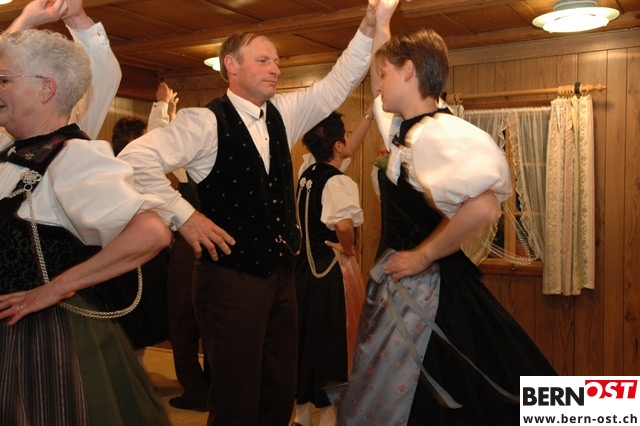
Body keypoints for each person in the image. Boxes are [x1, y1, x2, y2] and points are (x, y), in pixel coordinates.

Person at [118, 1, 400, 424]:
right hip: (228, 280)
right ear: (231, 66)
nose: (275, 69)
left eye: (277, 61)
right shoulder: (204, 122)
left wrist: (366, 27)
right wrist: (184, 216)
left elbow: (336, 86)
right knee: (236, 396)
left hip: (282, 276)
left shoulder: (282, 115)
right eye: (263, 60)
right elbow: (133, 158)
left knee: (278, 389)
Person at [333, 27, 558, 426]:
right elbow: (384, 72)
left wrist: (423, 255)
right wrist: (381, 18)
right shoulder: (405, 129)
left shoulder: (436, 135)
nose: (377, 86)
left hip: (427, 293)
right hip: (403, 287)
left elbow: (484, 208)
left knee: (454, 392)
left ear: (408, 71)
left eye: (383, 75)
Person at [0, 18, 172, 426]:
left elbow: (151, 232)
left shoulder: (74, 157)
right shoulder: (11, 152)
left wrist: (56, 287)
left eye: (4, 80)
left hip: (44, 344)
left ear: (46, 89)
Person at [291, 111, 371, 426]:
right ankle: (327, 417)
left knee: (303, 342)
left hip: (302, 274)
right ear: (337, 146)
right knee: (331, 345)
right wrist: (348, 248)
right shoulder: (337, 181)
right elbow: (344, 225)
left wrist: (369, 115)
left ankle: (300, 416)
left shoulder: (307, 173)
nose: (350, 140)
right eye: (345, 136)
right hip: (326, 274)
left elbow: (347, 149)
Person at [150, 81, 210, 412]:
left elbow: (157, 146)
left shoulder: (191, 161)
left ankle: (197, 392)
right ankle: (215, 388)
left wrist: (163, 110)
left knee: (183, 320)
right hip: (222, 244)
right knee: (214, 320)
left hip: (191, 243)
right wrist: (168, 113)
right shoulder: (221, 152)